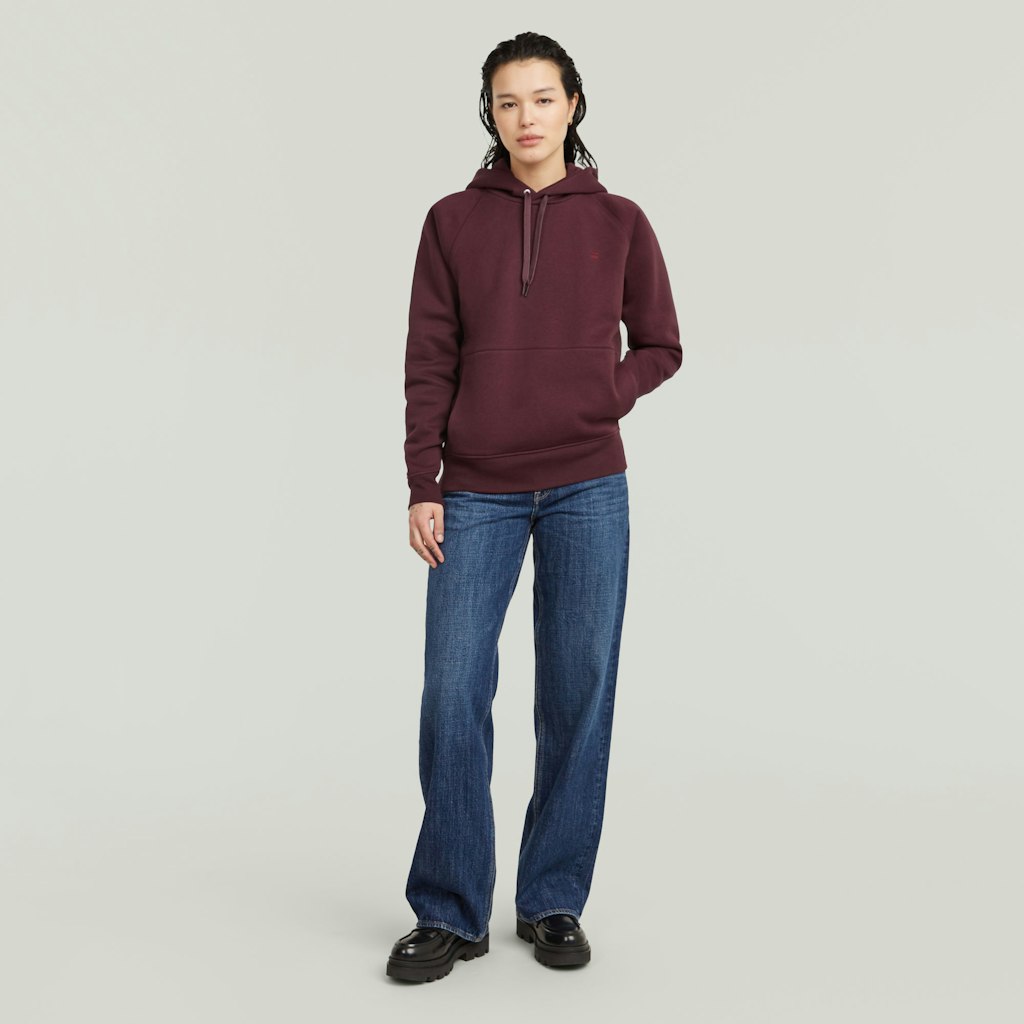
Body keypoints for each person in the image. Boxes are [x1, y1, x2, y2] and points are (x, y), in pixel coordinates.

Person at [386, 30, 682, 983]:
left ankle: (553, 898)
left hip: (589, 487)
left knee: (577, 691)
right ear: (491, 112)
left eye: (543, 98)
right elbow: (428, 357)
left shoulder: (621, 221)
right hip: (474, 488)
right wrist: (423, 481)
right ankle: (449, 909)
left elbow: (661, 344)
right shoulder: (450, 221)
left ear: (573, 106)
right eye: (508, 102)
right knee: (452, 691)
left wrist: (599, 396)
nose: (527, 118)